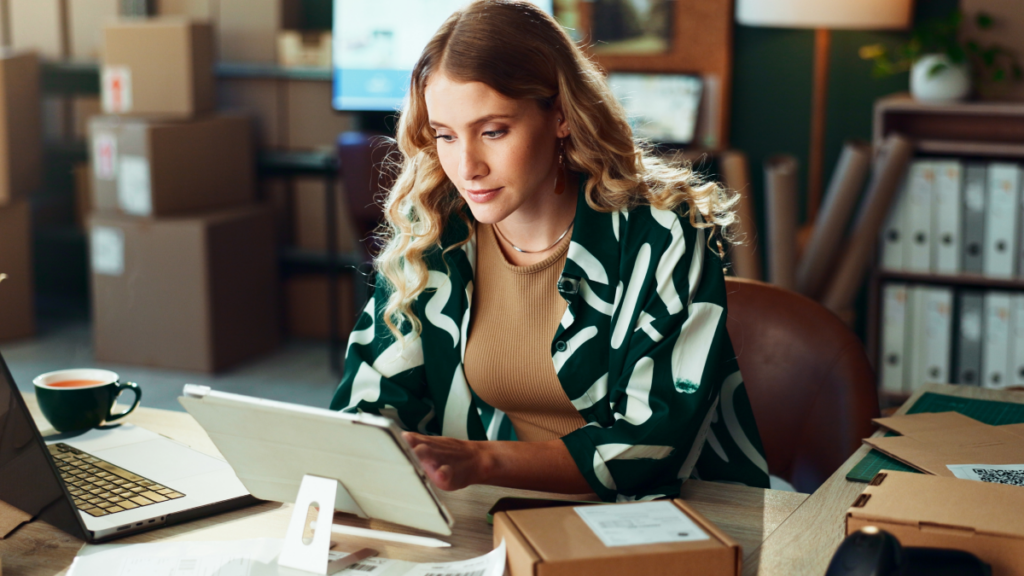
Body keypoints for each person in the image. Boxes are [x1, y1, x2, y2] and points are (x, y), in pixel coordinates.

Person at [330, 0, 770, 501]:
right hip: (498, 507)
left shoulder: (663, 232)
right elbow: (370, 400)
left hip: (664, 517)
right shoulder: (434, 228)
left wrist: (482, 459)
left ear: (560, 115)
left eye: (493, 132)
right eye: (446, 136)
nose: (466, 166)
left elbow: (652, 444)